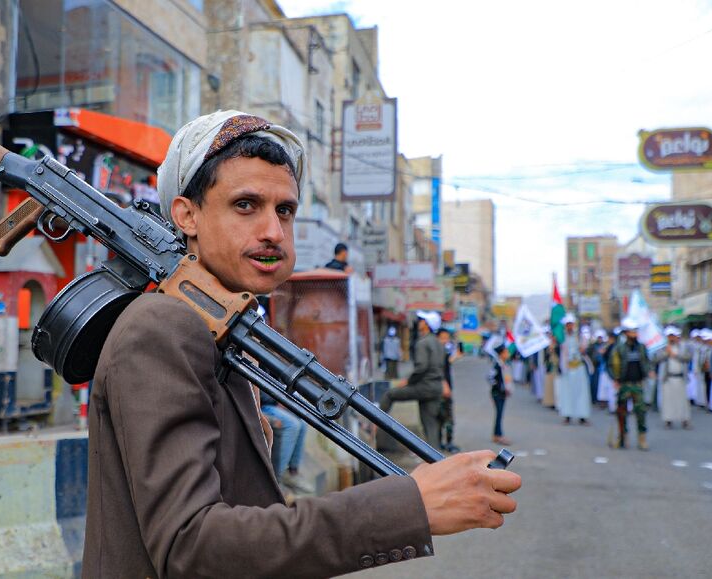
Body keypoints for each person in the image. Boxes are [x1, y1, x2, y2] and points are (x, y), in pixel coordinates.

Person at [82, 111, 521, 578]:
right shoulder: (165, 325)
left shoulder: (220, 330)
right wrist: (408, 506)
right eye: (246, 205)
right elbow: (191, 545)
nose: (273, 230)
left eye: (284, 210)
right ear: (187, 215)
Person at [380, 311, 449, 450]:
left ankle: (375, 422)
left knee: (389, 394)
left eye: (422, 320)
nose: (419, 322)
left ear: (427, 325)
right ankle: (435, 458)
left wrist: (409, 381)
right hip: (436, 388)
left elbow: (421, 368)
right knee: (430, 424)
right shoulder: (438, 343)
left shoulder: (422, 343)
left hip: (424, 387)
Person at [608, 317, 652, 450]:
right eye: (632, 331)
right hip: (624, 384)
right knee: (621, 413)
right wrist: (615, 379)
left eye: (636, 331)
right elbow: (611, 365)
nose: (635, 334)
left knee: (640, 413)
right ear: (626, 333)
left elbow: (647, 362)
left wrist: (648, 372)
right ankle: (622, 438)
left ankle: (642, 438)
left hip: (638, 384)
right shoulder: (619, 349)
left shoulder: (642, 348)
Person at [654, 326, 692, 429]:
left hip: (680, 377)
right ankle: (668, 420)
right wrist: (667, 353)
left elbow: (687, 358)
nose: (671, 338)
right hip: (668, 377)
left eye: (673, 336)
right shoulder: (662, 347)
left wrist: (675, 355)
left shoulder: (683, 347)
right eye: (669, 336)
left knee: (683, 400)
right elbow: (656, 359)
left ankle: (685, 420)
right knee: (667, 400)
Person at [557, 314, 591, 425]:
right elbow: (561, 354)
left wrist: (583, 347)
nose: (569, 327)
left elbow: (584, 350)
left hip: (579, 368)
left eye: (571, 324)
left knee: (581, 393)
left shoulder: (580, 337)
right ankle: (567, 415)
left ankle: (583, 416)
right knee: (567, 393)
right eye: (568, 325)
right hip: (567, 369)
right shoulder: (562, 339)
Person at [437, 326, 461, 453]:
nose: (445, 340)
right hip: (442, 390)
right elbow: (439, 371)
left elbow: (446, 365)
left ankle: (445, 442)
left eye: (446, 338)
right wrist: (444, 385)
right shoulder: (437, 352)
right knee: (446, 418)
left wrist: (456, 357)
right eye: (442, 338)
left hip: (445, 389)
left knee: (445, 418)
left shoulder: (443, 352)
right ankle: (445, 443)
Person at [488, 343, 512, 445]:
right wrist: (498, 387)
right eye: (506, 352)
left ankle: (496, 435)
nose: (508, 354)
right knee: (499, 414)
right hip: (497, 393)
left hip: (503, 393)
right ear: (501, 354)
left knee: (500, 414)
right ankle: (498, 435)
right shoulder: (497, 365)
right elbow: (490, 377)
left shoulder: (504, 364)